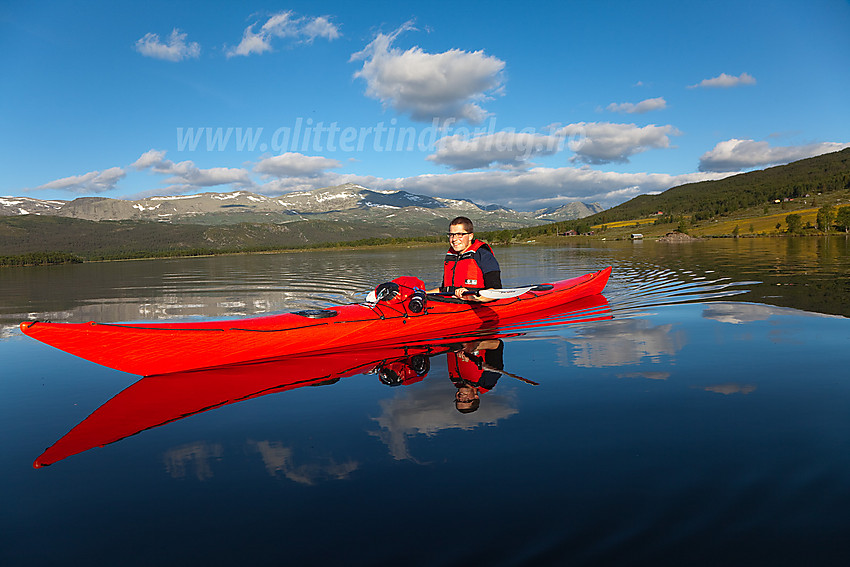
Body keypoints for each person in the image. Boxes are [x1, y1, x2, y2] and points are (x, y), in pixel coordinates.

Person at [429, 216, 501, 302]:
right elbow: (445, 290)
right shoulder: (452, 257)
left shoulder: (484, 255)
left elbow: (495, 291)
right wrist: (422, 293)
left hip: (477, 304)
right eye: (451, 235)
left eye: (460, 235)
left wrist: (474, 299)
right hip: (451, 304)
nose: (454, 239)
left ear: (470, 236)